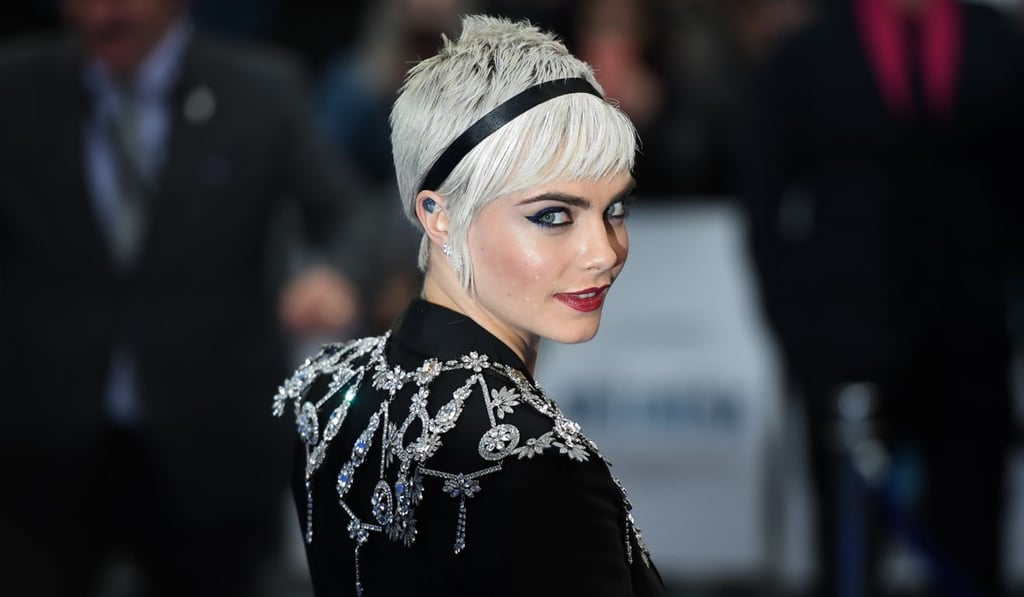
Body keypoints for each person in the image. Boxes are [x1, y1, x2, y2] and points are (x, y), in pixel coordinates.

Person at [274, 15, 666, 596]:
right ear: (439, 216)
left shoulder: (330, 390)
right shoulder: (539, 463)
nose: (603, 253)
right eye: (553, 216)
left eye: (614, 209)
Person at [0, 0, 368, 595]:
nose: (103, 15)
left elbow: (349, 213)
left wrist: (335, 274)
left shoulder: (260, 89)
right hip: (44, 446)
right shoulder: (16, 88)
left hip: (211, 445)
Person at [735, 0, 1024, 595]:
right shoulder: (807, 55)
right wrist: (797, 333)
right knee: (848, 545)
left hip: (972, 340)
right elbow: (764, 201)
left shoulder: (999, 44)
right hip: (845, 343)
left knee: (973, 537)